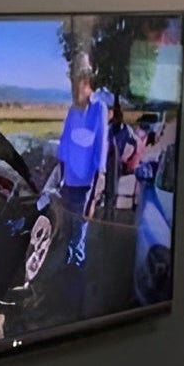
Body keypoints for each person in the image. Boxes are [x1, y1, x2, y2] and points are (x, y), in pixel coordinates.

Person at [57, 55, 107, 266]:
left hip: (86, 184)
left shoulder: (99, 109)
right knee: (67, 227)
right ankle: (68, 264)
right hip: (68, 182)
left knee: (79, 230)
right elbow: (64, 145)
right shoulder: (72, 111)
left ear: (88, 85)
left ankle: (77, 269)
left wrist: (94, 193)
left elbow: (100, 148)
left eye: (81, 83)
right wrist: (60, 179)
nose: (77, 88)